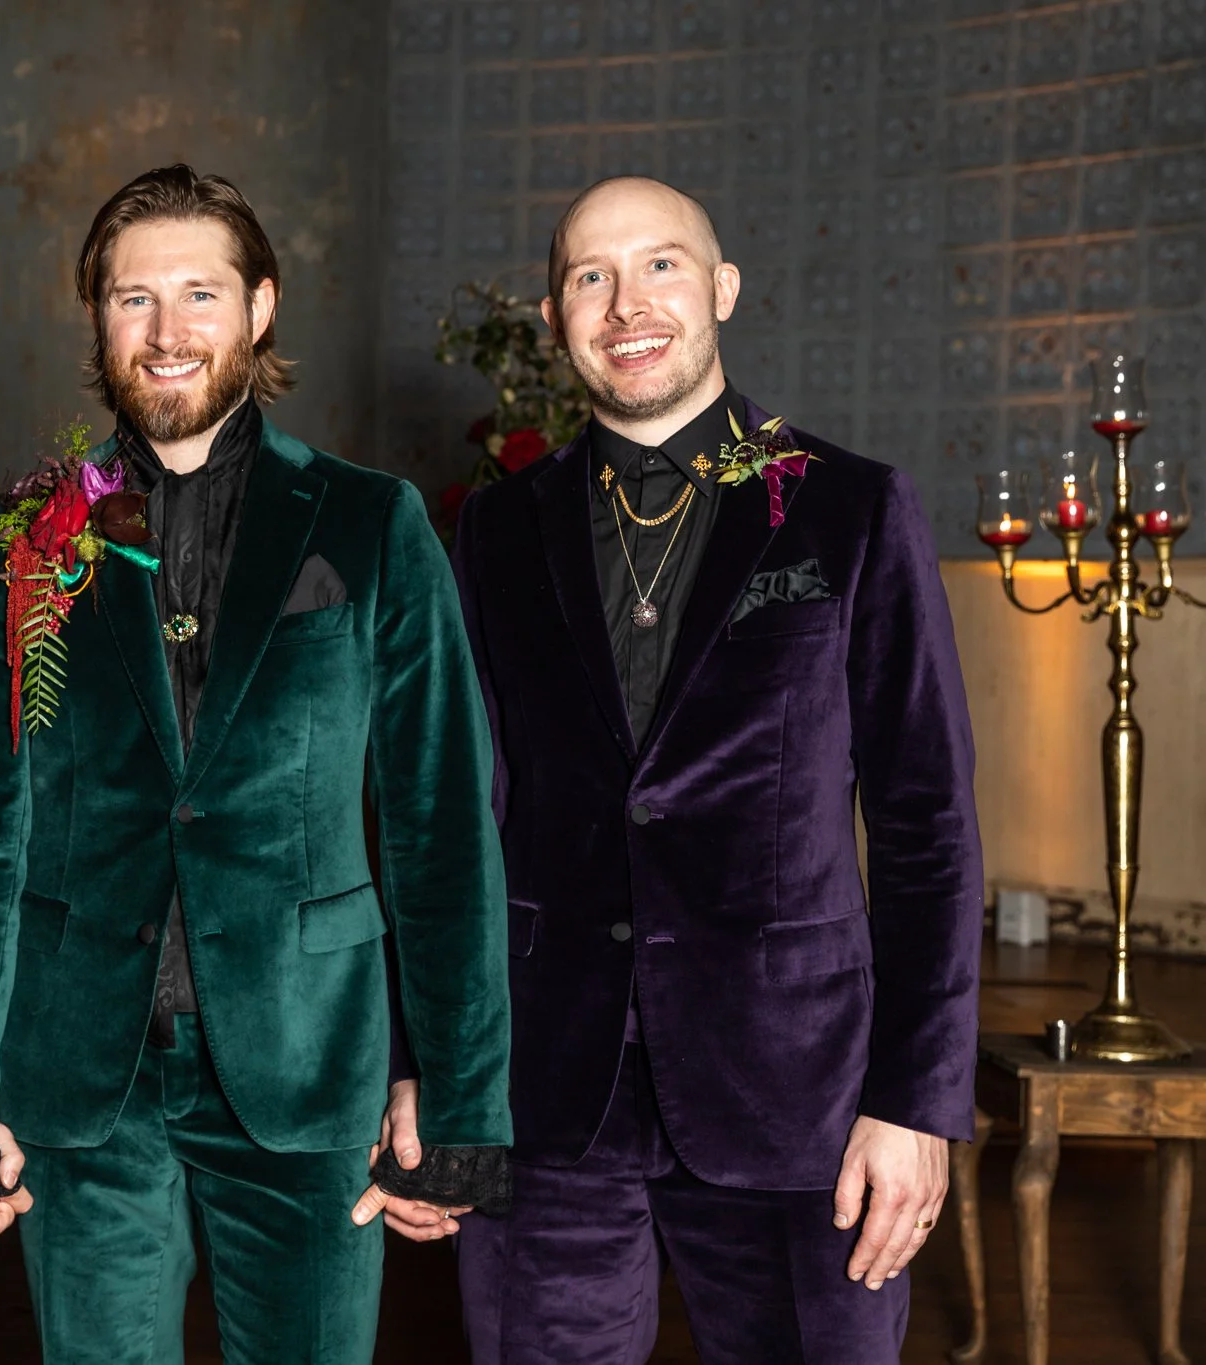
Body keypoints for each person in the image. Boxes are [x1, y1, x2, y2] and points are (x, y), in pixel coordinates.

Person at [0, 164, 512, 1363]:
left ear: (259, 307)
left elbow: (438, 826)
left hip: (307, 1068)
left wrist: (459, 1095)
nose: (166, 332)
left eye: (199, 294)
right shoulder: (21, 531)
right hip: (82, 1077)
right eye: (133, 298)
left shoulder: (370, 522)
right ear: (96, 319)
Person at [449, 174, 984, 1364]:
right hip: (545, 1091)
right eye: (589, 277)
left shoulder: (851, 508)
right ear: (554, 316)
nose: (625, 304)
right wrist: (431, 1071)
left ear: (722, 288)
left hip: (800, 1094)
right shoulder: (493, 529)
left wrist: (913, 1101)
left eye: (660, 265)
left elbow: (926, 826)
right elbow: (454, 824)